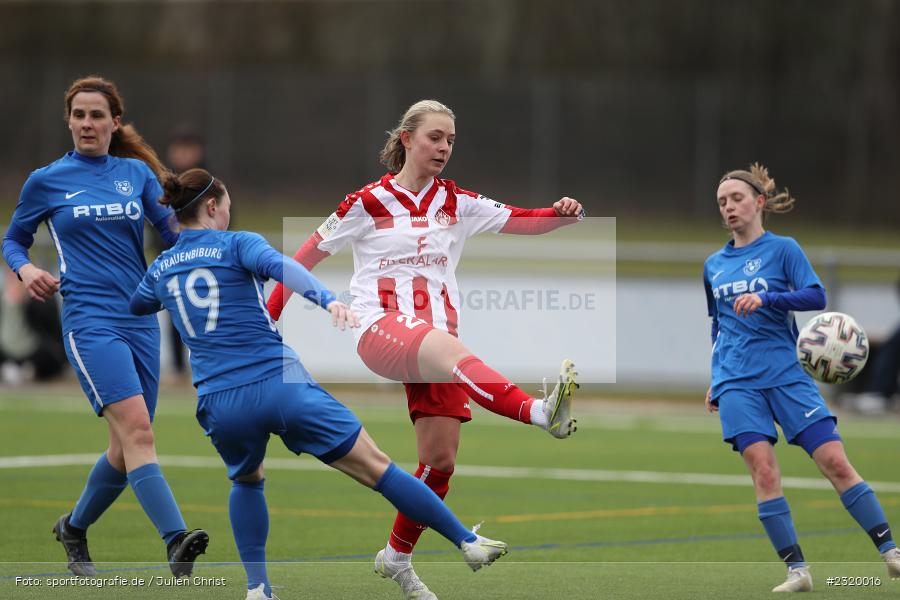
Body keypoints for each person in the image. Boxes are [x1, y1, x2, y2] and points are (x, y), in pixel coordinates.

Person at [129, 168, 509, 600]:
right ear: (213, 207)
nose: (229, 215)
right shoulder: (238, 243)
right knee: (378, 468)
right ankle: (466, 541)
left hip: (219, 400)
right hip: (276, 383)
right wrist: (328, 300)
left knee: (247, 481)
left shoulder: (161, 266)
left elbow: (138, 304)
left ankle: (257, 589)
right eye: (227, 207)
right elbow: (286, 268)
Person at [266, 99, 582, 600]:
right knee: (452, 354)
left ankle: (397, 558)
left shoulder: (455, 201)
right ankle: (540, 411)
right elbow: (303, 257)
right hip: (380, 330)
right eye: (436, 137)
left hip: (434, 343)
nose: (444, 148)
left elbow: (525, 219)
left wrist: (561, 213)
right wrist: (271, 313)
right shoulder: (365, 202)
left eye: (451, 140)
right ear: (407, 138)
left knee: (439, 462)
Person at [1, 75, 208, 577]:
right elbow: (13, 241)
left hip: (140, 321)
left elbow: (172, 236)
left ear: (115, 123)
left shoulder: (136, 174)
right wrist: (27, 270)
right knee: (138, 431)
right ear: (68, 121)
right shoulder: (46, 180)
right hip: (88, 322)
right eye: (79, 115)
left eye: (97, 115)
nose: (87, 123)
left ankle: (73, 526)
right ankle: (176, 539)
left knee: (124, 448)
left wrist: (207, 251)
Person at [703, 163, 900, 592]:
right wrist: (715, 376)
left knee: (834, 462)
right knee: (764, 471)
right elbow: (717, 325)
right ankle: (798, 571)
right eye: (722, 202)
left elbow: (816, 295)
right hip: (736, 380)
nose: (729, 207)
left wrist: (768, 297)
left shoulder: (784, 249)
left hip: (787, 375)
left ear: (758, 202)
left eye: (736, 198)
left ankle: (891, 552)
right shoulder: (713, 265)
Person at [0, 267, 66, 383]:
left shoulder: (39, 296)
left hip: (36, 349)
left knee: (50, 356)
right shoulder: (3, 297)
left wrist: (28, 300)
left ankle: (28, 369)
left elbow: (53, 330)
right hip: (7, 350)